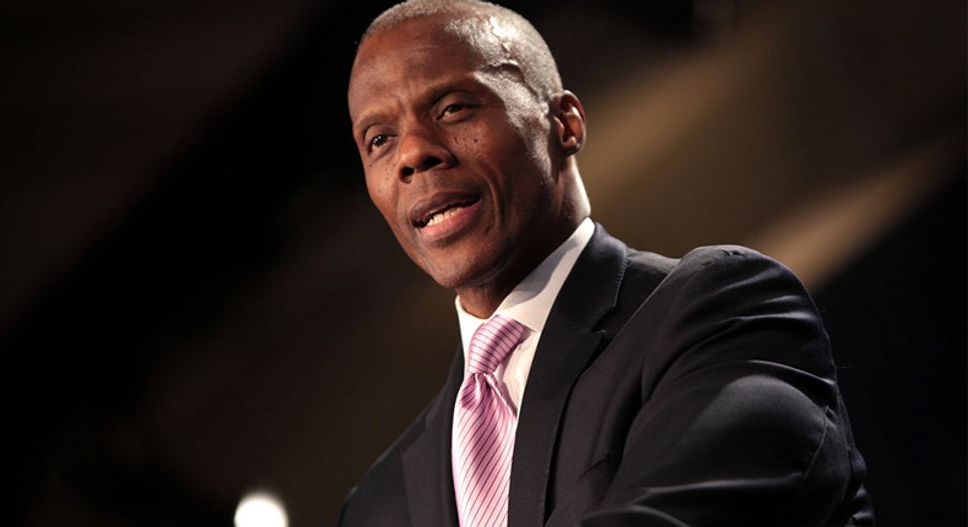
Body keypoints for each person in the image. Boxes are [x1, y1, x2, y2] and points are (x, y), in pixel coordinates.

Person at [340, 1, 873, 525]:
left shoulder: (724, 315)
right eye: (379, 139)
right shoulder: (376, 508)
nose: (412, 154)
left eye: (453, 108)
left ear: (564, 123)